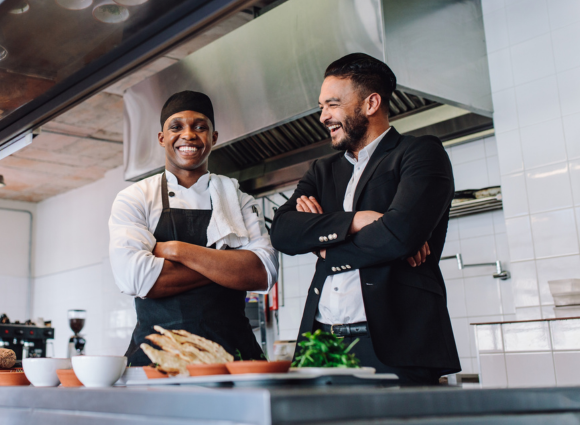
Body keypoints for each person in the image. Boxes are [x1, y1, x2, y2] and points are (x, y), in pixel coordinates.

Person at [270, 53, 460, 384]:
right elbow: (284, 233)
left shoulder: (419, 153)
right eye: (321, 107)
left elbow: (399, 234)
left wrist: (324, 246)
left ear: (371, 103)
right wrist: (356, 221)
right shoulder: (322, 170)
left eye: (332, 105)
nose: (323, 117)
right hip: (323, 343)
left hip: (396, 344)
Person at [109, 91, 278, 366]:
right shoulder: (136, 197)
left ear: (213, 137)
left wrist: (176, 250)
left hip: (233, 356)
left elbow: (262, 273)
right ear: (162, 138)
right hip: (158, 357)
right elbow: (135, 279)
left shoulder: (238, 198)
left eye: (200, 127)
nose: (188, 135)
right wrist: (228, 266)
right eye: (176, 126)